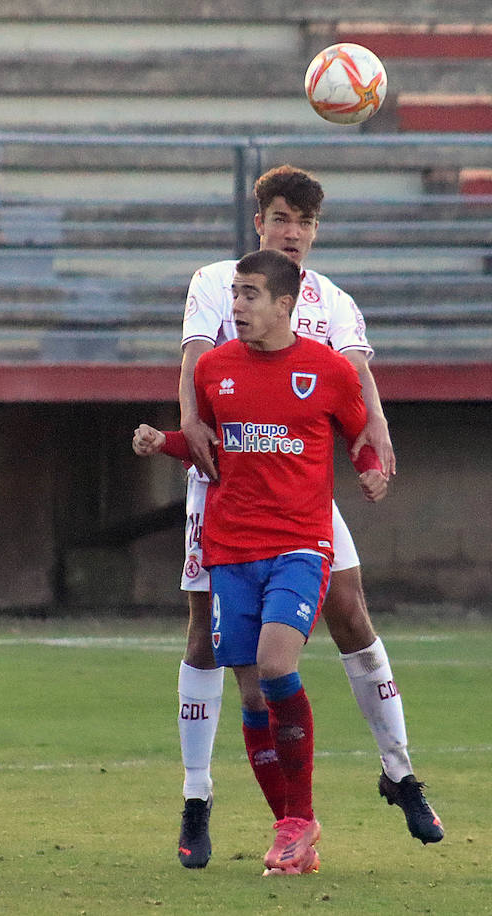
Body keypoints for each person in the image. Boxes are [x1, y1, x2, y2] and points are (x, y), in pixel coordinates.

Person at [169, 165, 442, 868]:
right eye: (283, 218)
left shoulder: (333, 300)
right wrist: (189, 427)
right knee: (208, 638)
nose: (294, 232)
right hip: (228, 483)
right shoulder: (217, 283)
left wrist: (376, 434)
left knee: (351, 611)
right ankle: (198, 797)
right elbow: (198, 360)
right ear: (258, 219)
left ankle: (400, 772)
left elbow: (357, 377)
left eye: (307, 223)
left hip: (300, 495)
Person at [135, 249, 387, 875]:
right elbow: (209, 449)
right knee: (250, 691)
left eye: (249, 295)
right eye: (235, 294)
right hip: (230, 549)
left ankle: (300, 820)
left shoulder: (326, 370)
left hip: (300, 545)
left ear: (285, 304)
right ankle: (291, 832)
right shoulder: (214, 369)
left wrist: (371, 469)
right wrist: (160, 442)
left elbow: (356, 429)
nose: (237, 306)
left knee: (278, 664)